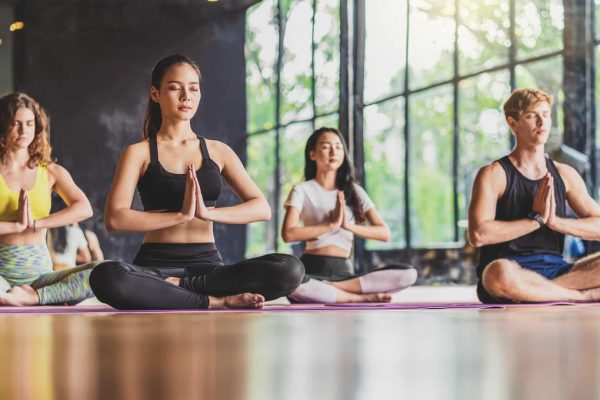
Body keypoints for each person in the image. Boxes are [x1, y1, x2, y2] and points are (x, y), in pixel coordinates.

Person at [89, 55, 304, 310]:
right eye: (174, 87)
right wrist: (180, 216)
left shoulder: (217, 151)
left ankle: (182, 289)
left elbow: (262, 208)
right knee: (106, 277)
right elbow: (116, 218)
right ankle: (213, 301)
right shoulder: (139, 152)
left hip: (208, 270)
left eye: (193, 88)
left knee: (290, 269)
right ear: (156, 94)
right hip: (155, 267)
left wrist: (207, 213)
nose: (185, 96)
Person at [468, 88, 600, 303]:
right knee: (498, 274)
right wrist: (536, 221)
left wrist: (556, 222)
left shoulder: (565, 174)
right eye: (531, 115)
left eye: (546, 115)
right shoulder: (493, 174)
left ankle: (535, 293)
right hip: (511, 270)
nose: (542, 122)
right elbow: (479, 235)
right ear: (513, 123)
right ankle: (582, 296)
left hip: (558, 270)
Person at [282, 127, 417, 303]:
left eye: (338, 147)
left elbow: (384, 233)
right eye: (325, 146)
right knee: (291, 282)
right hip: (312, 268)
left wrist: (347, 226)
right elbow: (288, 234)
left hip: (345, 273)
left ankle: (332, 289)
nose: (333, 151)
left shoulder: (354, 190)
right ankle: (355, 297)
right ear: (313, 154)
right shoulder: (302, 190)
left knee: (409, 274)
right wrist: (330, 226)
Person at [0, 92, 96, 306]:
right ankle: (12, 294)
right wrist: (15, 226)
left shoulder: (51, 171)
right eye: (15, 124)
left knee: (102, 271)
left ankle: (33, 297)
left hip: (41, 277)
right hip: (1, 275)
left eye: (29, 123)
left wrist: (37, 223)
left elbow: (84, 208)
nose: (23, 130)